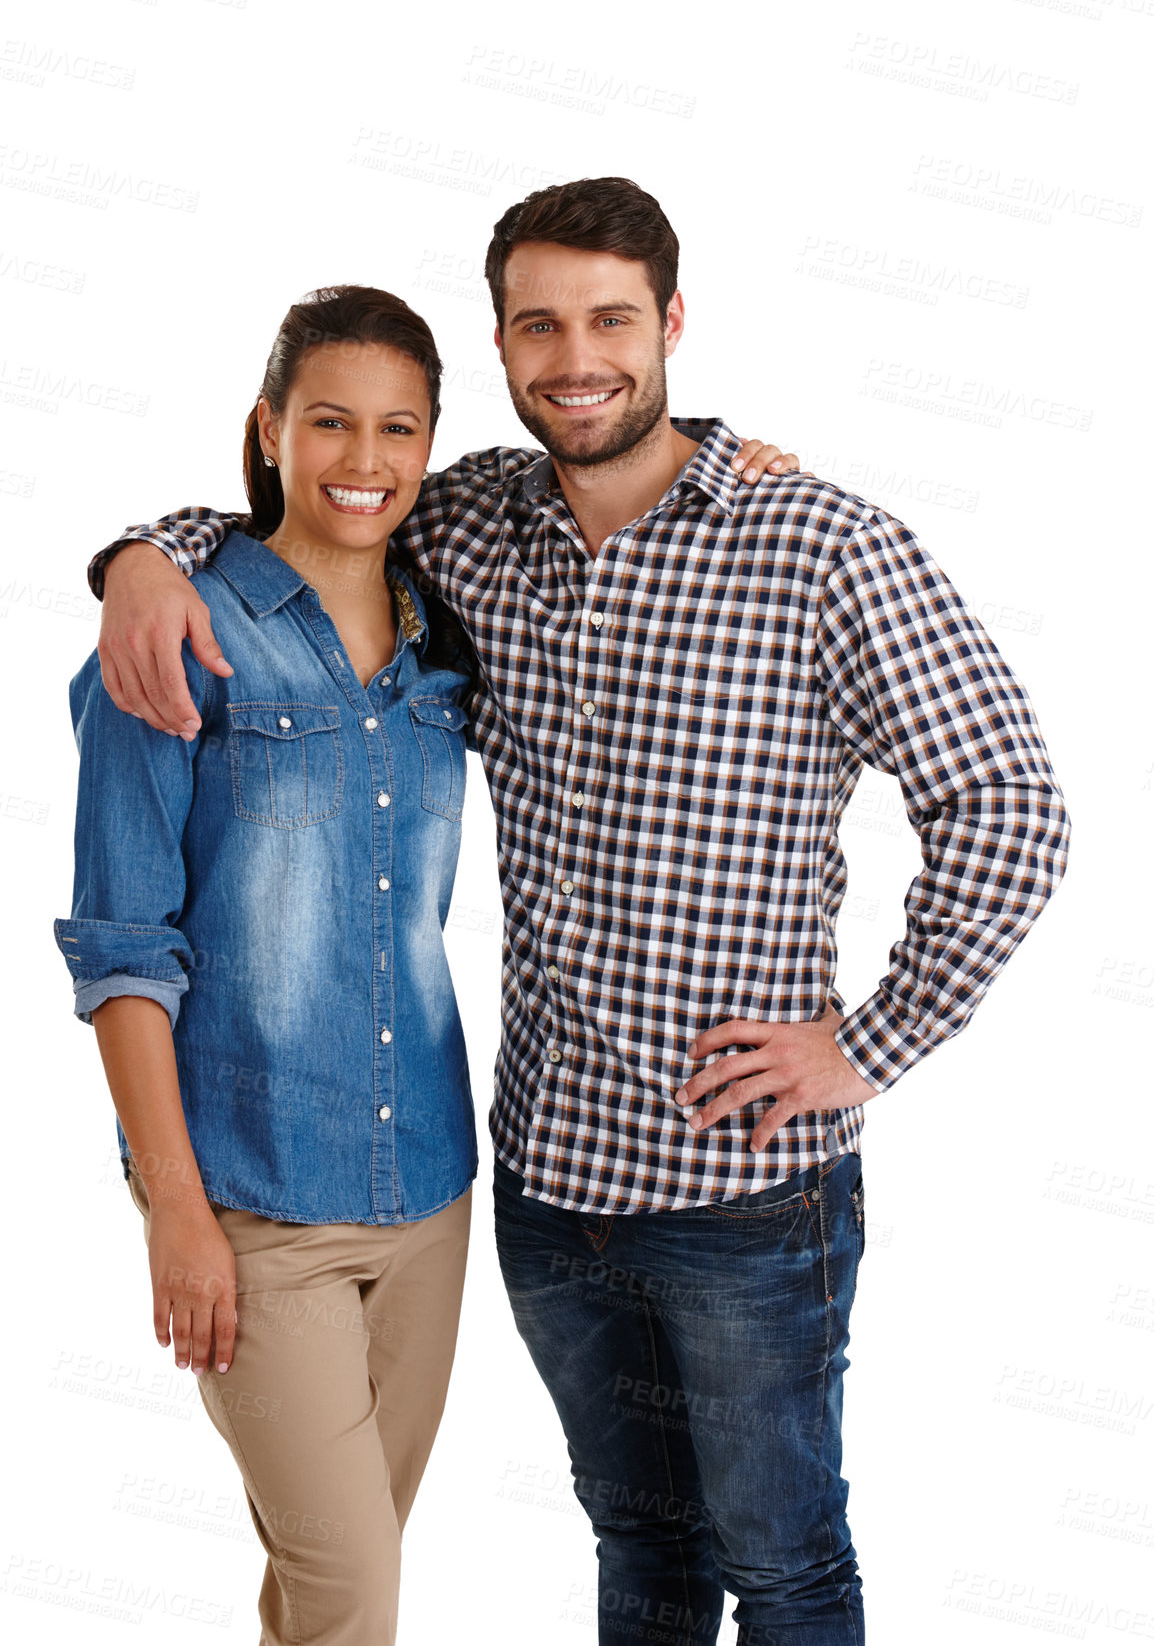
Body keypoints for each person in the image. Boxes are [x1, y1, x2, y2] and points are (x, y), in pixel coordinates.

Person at [83, 177, 1069, 1646]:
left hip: (743, 1182)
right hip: (549, 1185)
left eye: (611, 318)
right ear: (499, 344)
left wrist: (862, 1046)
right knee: (641, 1548)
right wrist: (139, 559)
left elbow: (1011, 809)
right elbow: (312, 512)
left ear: (671, 323)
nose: (575, 356)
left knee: (785, 1565)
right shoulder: (475, 526)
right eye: (539, 324)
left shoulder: (822, 547)